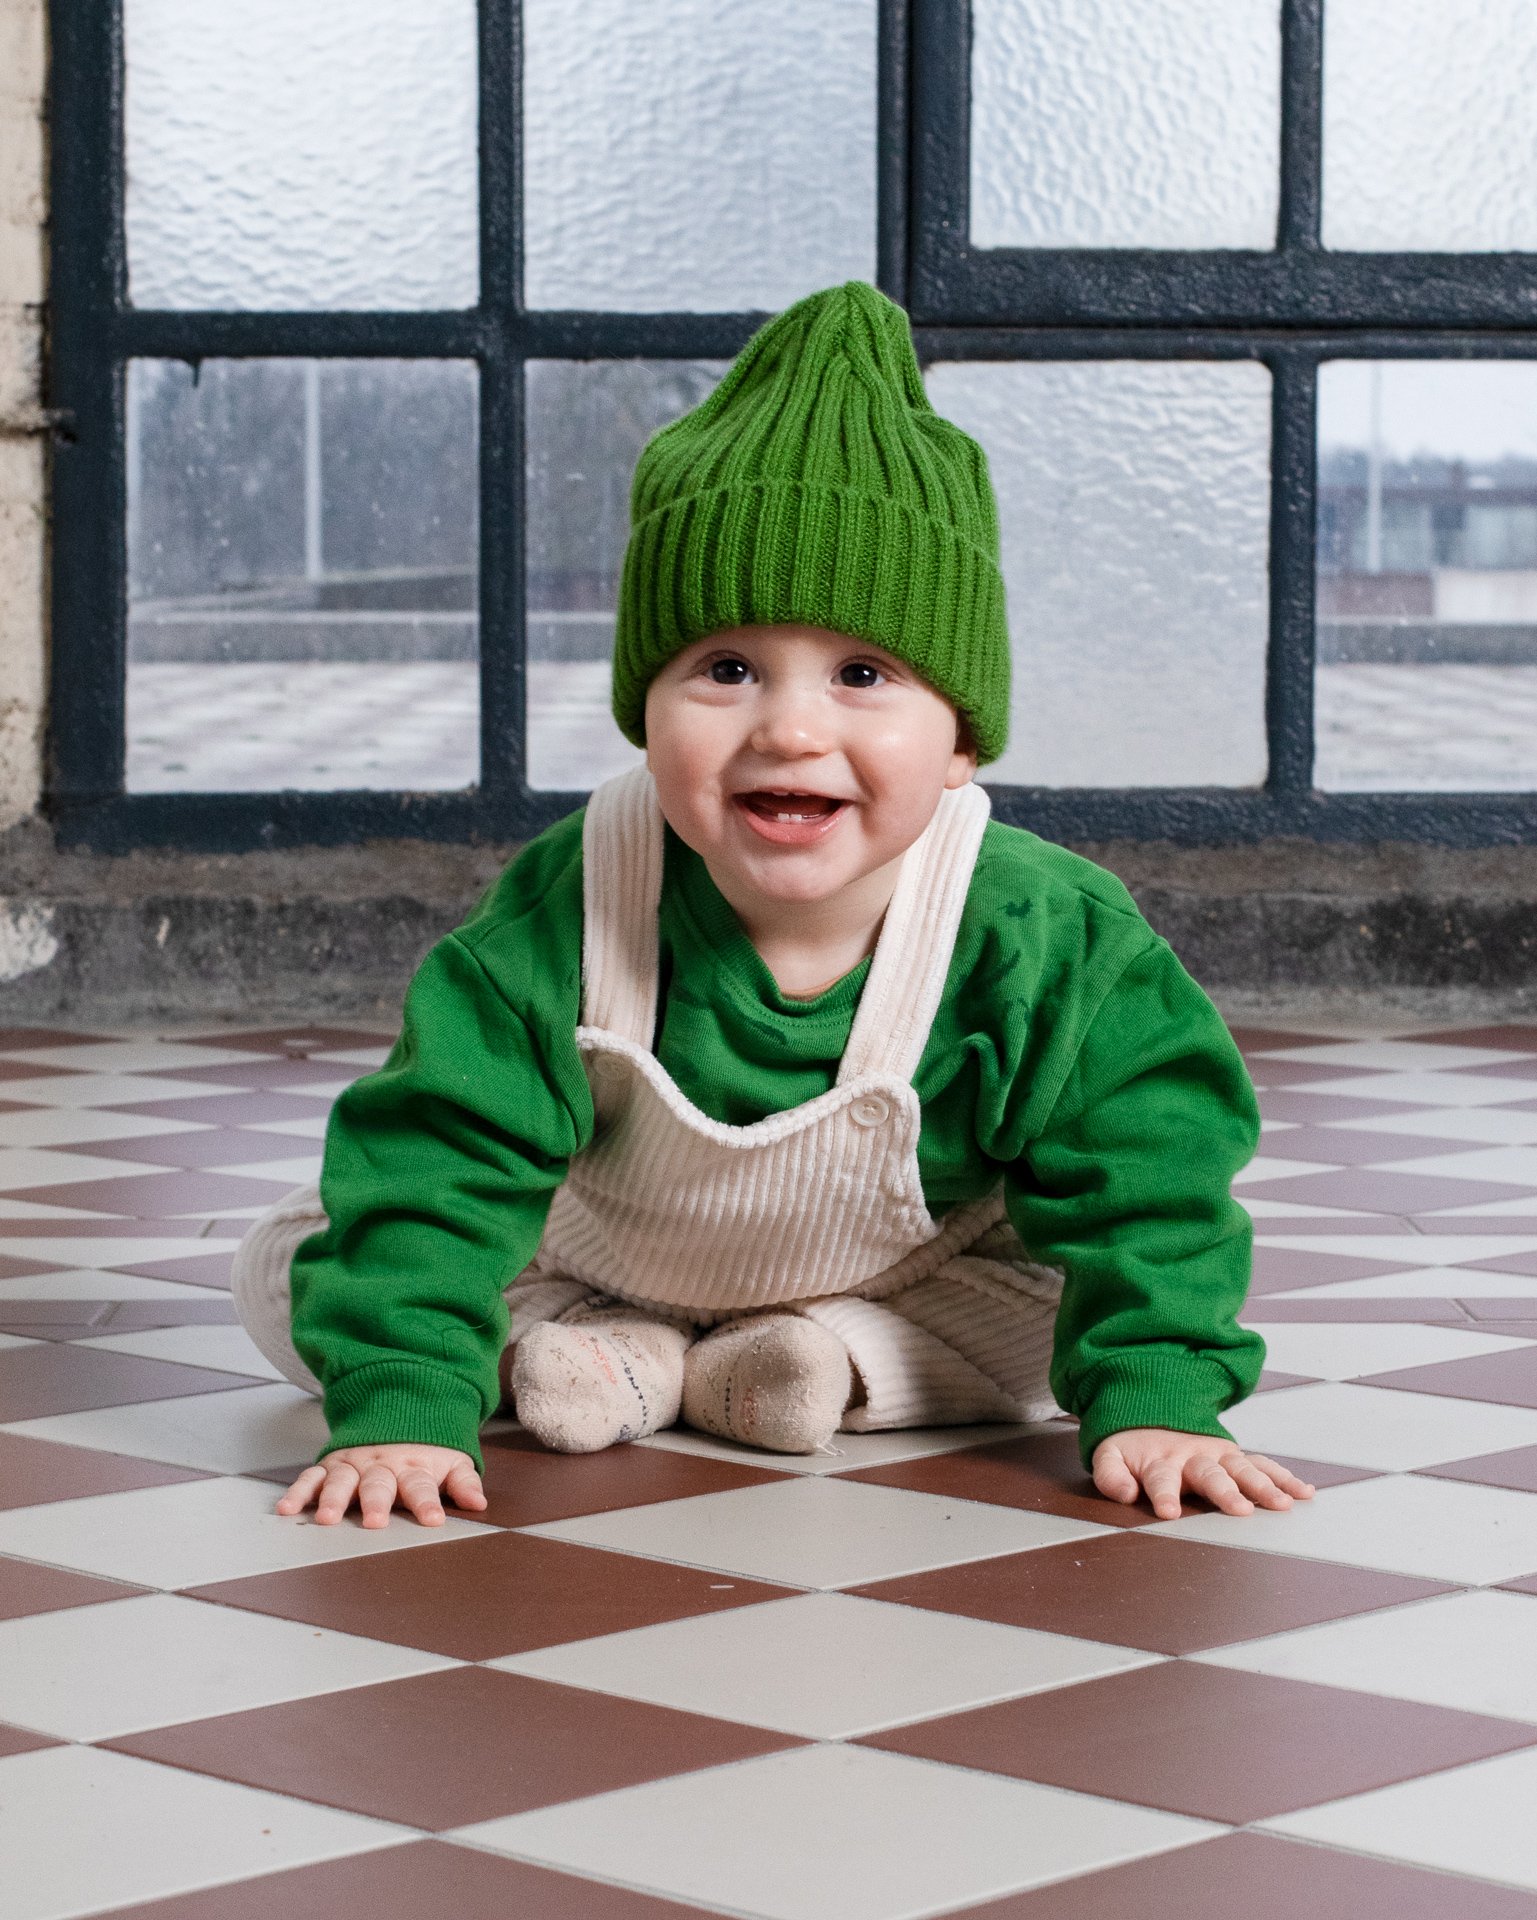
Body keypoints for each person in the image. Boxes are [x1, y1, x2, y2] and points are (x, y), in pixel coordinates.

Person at [232, 280, 1313, 1533]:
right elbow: (441, 1153)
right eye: (726, 669)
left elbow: (1150, 1172)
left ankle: (814, 1360)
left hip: (903, 1276)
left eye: (863, 674)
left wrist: (1159, 1392)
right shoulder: (572, 898)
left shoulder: (1043, 933)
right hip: (586, 1255)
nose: (790, 728)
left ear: (963, 741)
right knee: (292, 1264)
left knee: (1044, 1315)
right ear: (645, 708)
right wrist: (401, 1403)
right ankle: (599, 1346)